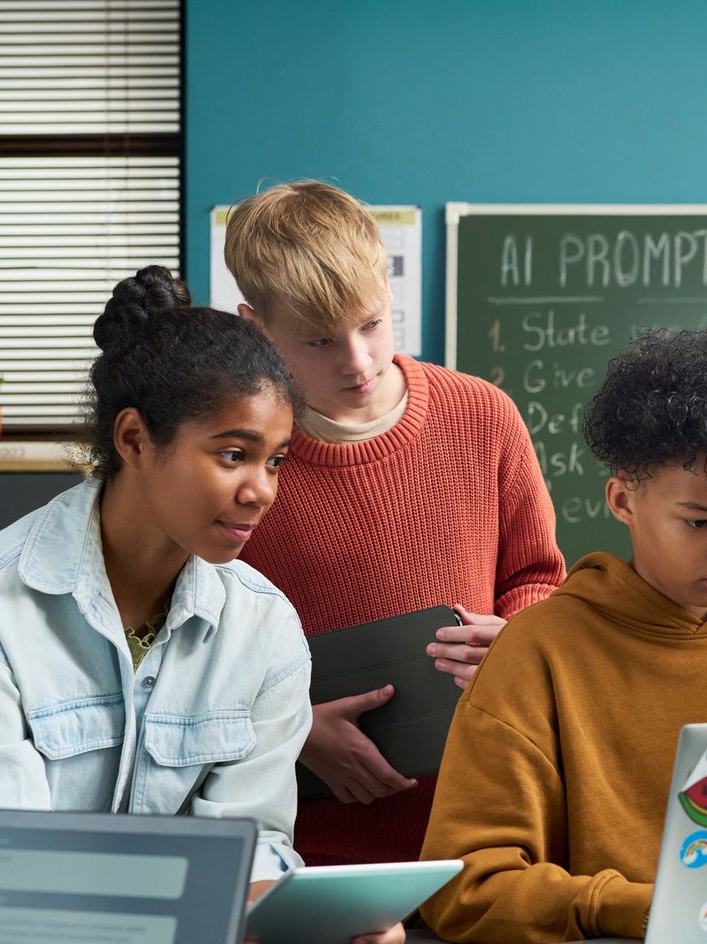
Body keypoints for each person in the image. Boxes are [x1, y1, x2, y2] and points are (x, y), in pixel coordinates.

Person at [0, 266, 403, 944]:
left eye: (276, 461)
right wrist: (160, 936)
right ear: (135, 439)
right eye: (234, 454)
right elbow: (0, 874)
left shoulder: (264, 629)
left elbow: (253, 840)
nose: (261, 491)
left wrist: (305, 929)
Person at [419, 329, 707, 944]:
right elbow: (466, 888)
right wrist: (632, 909)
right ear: (623, 500)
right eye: (698, 521)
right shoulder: (537, 651)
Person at [223, 181, 565, 865]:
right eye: (320, 340)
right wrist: (292, 734)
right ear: (257, 326)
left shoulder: (483, 415)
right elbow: (192, 654)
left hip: (489, 832)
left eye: (373, 323)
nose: (357, 360)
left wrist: (518, 642)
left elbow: (536, 575)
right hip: (315, 846)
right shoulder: (234, 458)